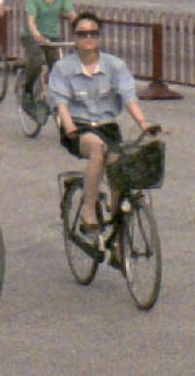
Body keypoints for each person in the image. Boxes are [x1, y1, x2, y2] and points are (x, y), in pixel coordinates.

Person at [46, 12, 158, 232]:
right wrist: (68, 126)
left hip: (107, 126)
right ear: (75, 39)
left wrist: (144, 123)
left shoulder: (114, 65)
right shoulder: (62, 68)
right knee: (97, 149)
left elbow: (129, 98)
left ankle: (118, 235)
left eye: (93, 33)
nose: (88, 38)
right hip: (79, 127)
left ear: (100, 37)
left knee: (118, 166)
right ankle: (88, 211)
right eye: (82, 34)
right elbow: (61, 105)